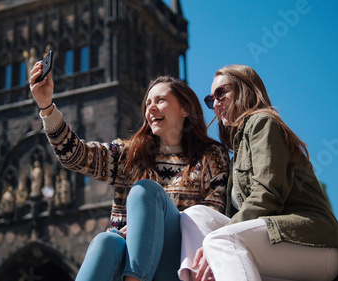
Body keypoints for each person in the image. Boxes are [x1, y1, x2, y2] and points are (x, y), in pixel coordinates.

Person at [29, 61, 229, 281]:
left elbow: (212, 216)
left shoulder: (210, 155)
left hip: (179, 261)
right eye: (148, 103)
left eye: (161, 101)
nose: (151, 108)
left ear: (185, 109)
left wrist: (145, 229)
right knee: (106, 241)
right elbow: (75, 154)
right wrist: (46, 106)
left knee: (145, 191)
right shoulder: (129, 155)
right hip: (127, 259)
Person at [178, 65, 338, 281]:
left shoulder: (263, 122)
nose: (215, 103)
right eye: (210, 100)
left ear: (244, 90)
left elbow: (267, 195)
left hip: (314, 243)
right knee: (196, 216)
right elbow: (228, 218)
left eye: (221, 93)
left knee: (219, 240)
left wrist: (214, 241)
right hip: (274, 244)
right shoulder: (236, 158)